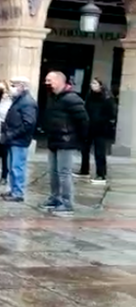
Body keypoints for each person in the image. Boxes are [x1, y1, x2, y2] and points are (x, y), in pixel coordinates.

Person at [41, 71, 89, 216]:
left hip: (67, 141)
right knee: (53, 172)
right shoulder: (53, 98)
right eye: (46, 80)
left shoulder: (72, 99)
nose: (47, 83)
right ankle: (55, 198)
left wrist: (80, 140)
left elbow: (83, 120)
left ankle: (67, 202)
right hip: (54, 140)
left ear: (60, 81)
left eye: (50, 80)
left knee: (64, 173)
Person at [0, 77, 38, 202]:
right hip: (13, 139)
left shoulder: (27, 102)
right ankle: (14, 190)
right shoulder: (19, 100)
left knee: (17, 167)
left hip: (19, 140)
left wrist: (12, 134)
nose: (11, 87)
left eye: (14, 85)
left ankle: (18, 193)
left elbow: (29, 123)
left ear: (22, 86)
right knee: (12, 166)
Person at [75, 78, 116, 185]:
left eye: (95, 83)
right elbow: (86, 109)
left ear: (100, 85)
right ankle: (84, 170)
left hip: (101, 129)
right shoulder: (90, 96)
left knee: (99, 152)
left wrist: (102, 122)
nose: (92, 85)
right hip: (89, 127)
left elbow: (111, 114)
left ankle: (101, 174)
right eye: (91, 83)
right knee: (84, 149)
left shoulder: (107, 98)